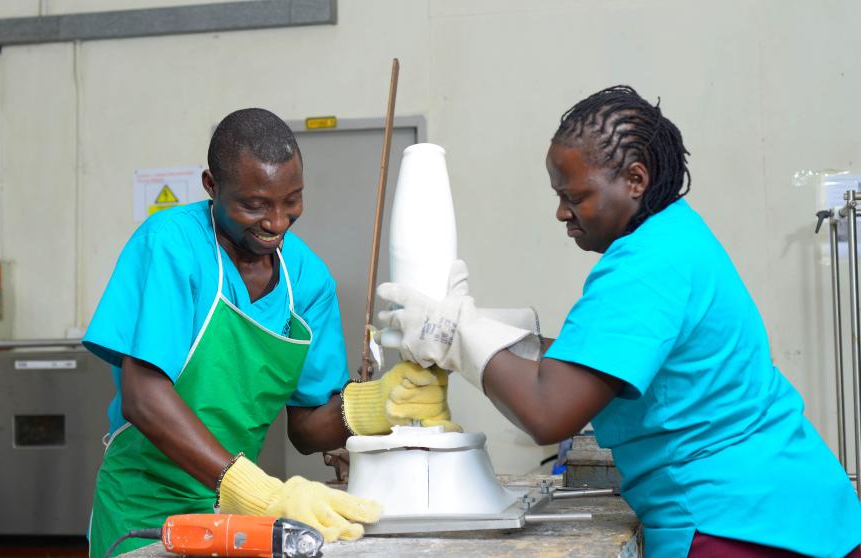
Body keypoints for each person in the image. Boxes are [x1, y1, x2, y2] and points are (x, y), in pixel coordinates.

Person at [377, 86, 861, 557]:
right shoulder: (674, 235)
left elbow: (550, 412)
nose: (562, 212)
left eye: (576, 195)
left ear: (635, 179)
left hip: (740, 522)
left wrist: (455, 336)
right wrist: (501, 338)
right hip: (789, 504)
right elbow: (601, 360)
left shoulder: (646, 265)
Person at [83, 108, 456, 557]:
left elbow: (308, 427)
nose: (276, 222)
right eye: (254, 204)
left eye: (292, 200)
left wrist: (378, 405)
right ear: (211, 186)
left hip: (232, 514)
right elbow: (143, 397)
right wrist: (257, 492)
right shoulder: (172, 244)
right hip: (143, 510)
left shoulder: (308, 280)